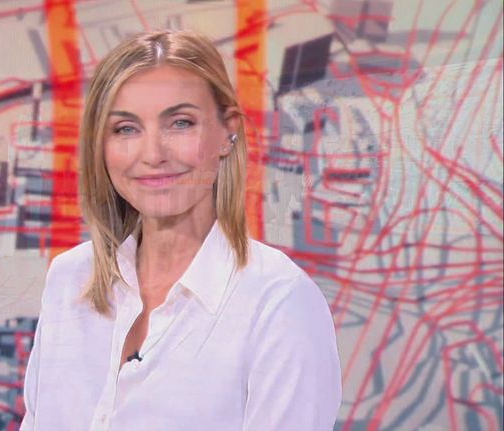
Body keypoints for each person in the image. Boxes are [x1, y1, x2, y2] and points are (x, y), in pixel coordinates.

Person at [20, 29, 341, 430]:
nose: (153, 154)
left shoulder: (278, 303)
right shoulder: (69, 279)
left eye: (180, 123)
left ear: (228, 132)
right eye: (126, 129)